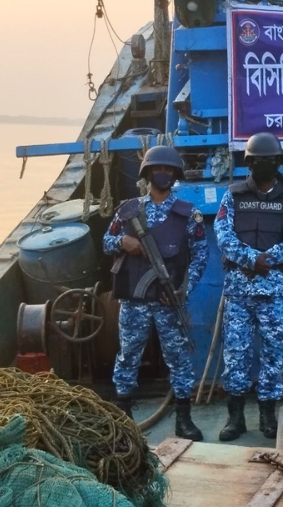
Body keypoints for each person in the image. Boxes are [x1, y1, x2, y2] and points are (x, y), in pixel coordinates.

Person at [104, 145, 207, 440]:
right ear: (147, 173)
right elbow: (107, 241)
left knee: (179, 357)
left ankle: (183, 419)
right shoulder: (128, 210)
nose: (163, 173)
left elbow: (200, 255)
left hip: (167, 300)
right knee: (128, 355)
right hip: (134, 300)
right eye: (157, 169)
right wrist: (123, 242)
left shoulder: (188, 214)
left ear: (175, 174)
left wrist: (183, 289)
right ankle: (124, 418)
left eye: (168, 169)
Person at [213, 132, 283, 441]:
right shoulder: (233, 195)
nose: (263, 164)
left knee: (273, 356)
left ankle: (268, 416)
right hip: (239, 293)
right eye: (257, 160)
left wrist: (268, 259)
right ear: (248, 163)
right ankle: (235, 418)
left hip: (276, 293)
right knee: (235, 356)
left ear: (278, 162)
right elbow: (223, 235)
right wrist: (253, 259)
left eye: (269, 160)